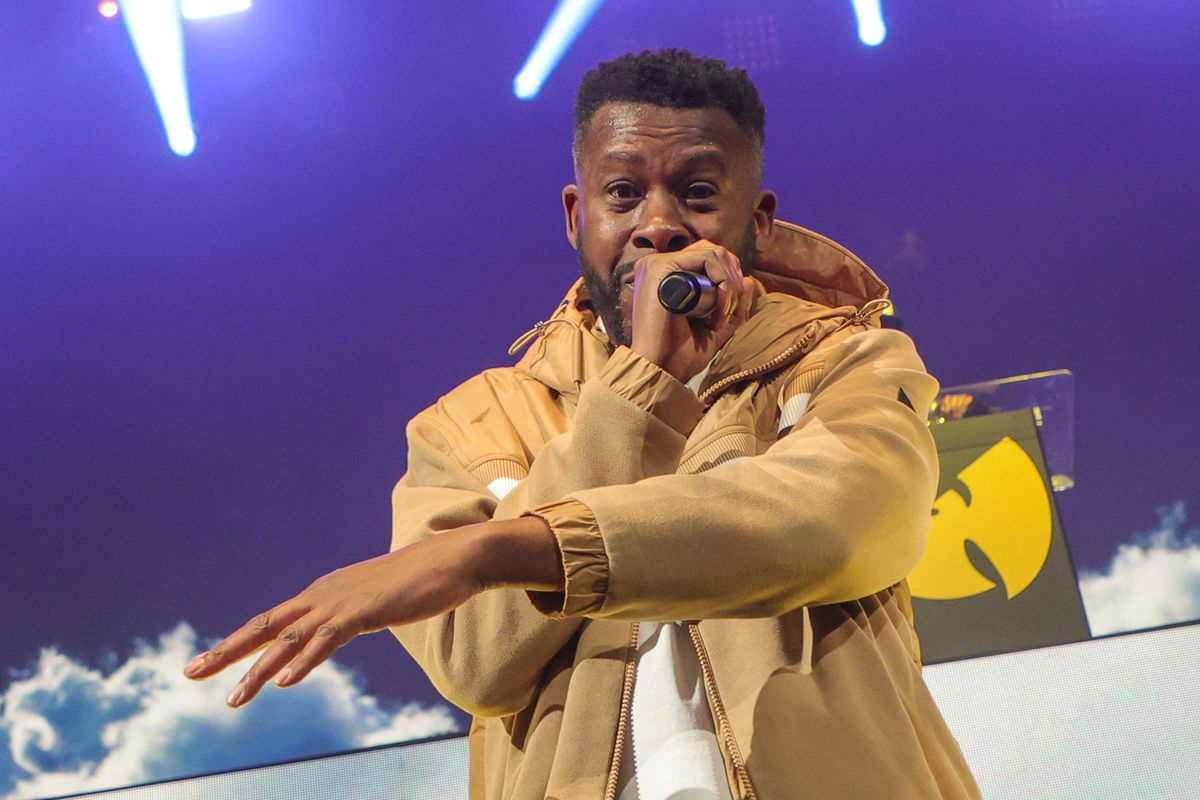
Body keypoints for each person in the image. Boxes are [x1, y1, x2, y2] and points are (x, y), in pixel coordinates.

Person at [184, 49, 982, 799]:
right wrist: (642, 383)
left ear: (760, 221)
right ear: (576, 214)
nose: (658, 224)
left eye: (699, 192)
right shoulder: (467, 424)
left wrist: (494, 549)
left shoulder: (845, 361)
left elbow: (835, 524)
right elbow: (474, 661)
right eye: (623, 192)